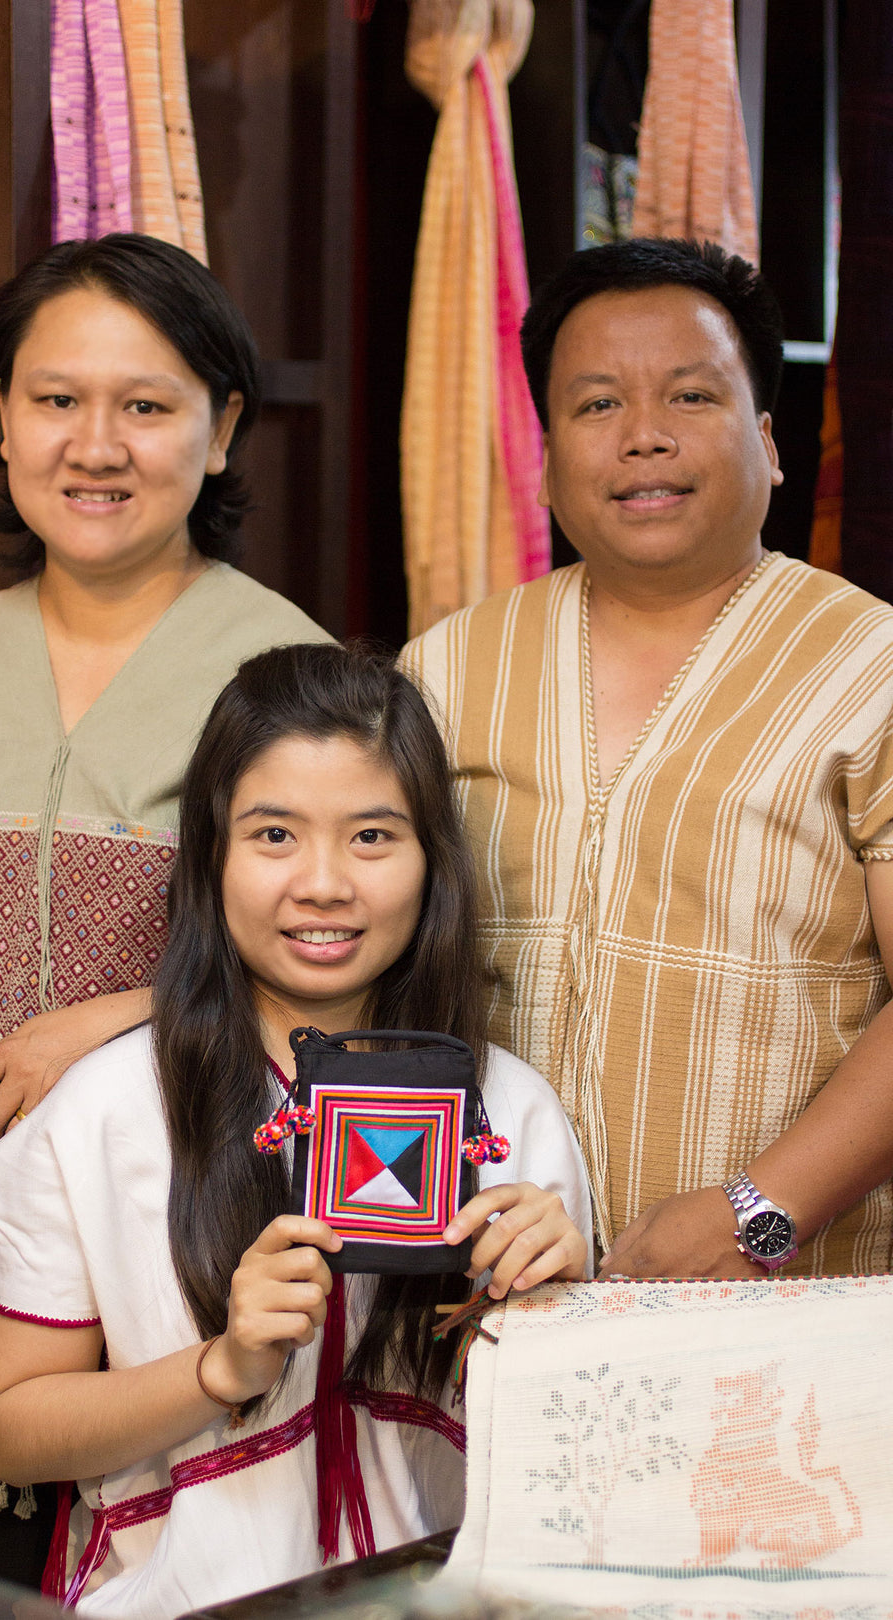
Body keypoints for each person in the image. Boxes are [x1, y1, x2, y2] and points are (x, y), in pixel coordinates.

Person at [0, 233, 331, 1578]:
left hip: (177, 1276)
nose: (95, 444)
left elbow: (342, 972)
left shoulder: (292, 681)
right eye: (55, 400)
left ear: (220, 432)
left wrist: (99, 1021)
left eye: (147, 406)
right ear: (0, 414)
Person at [0, 642, 592, 1618]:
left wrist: (561, 1306)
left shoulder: (512, 1111)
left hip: (452, 1592)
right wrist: (222, 1368)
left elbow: (576, 1440)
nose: (324, 883)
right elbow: (9, 1431)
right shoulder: (96, 1114)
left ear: (435, 861)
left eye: (374, 837)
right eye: (273, 836)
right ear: (210, 851)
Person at [401, 238, 893, 1281]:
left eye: (691, 398)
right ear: (543, 461)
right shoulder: (443, 671)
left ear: (768, 440)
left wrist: (759, 1214)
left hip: (793, 1302)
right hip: (482, 1293)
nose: (644, 440)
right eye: (596, 406)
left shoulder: (873, 670)